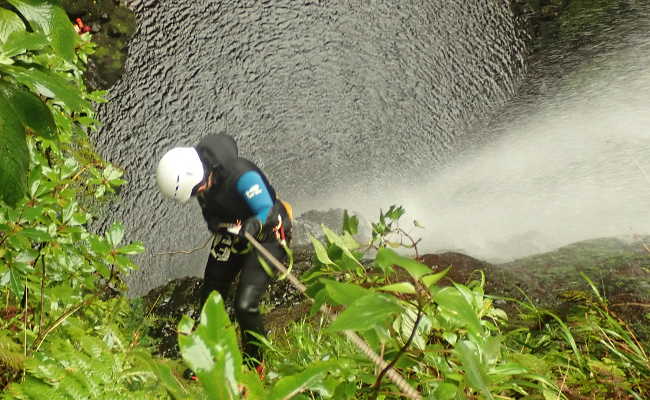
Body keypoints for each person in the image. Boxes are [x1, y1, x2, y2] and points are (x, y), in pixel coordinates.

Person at [155, 133, 292, 379]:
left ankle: (254, 366)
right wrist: (221, 227)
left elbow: (268, 212)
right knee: (211, 295)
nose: (199, 194)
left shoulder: (241, 176)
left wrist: (250, 229)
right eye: (195, 193)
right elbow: (212, 218)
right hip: (234, 232)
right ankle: (210, 356)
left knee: (245, 304)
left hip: (268, 235)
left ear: (200, 175)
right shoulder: (203, 184)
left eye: (197, 190)